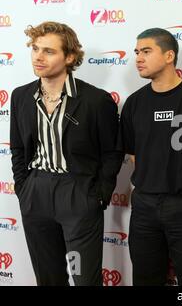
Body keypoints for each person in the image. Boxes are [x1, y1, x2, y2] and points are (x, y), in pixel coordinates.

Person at [10, 21, 122, 286]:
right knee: (48, 278)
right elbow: (17, 147)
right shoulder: (21, 96)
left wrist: (97, 196)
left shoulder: (96, 100)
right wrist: (23, 188)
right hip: (36, 193)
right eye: (35, 48)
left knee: (84, 279)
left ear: (69, 57)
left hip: (78, 195)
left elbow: (112, 152)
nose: (38, 56)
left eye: (48, 51)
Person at [119, 28, 182, 286]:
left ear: (170, 55)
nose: (138, 57)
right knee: (145, 278)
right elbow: (135, 155)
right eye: (137, 52)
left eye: (146, 51)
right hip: (144, 207)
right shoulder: (134, 103)